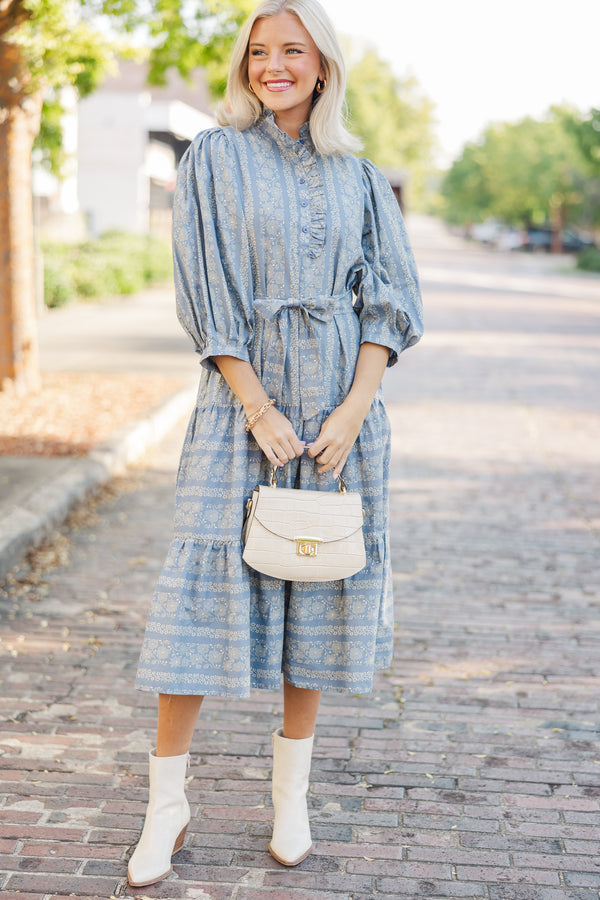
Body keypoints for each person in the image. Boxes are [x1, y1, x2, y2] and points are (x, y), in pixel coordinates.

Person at [127, 0, 423, 887]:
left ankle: (289, 798)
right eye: (260, 51)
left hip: (341, 415)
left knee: (317, 585)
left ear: (323, 65)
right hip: (237, 405)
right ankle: (165, 808)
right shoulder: (215, 157)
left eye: (293, 50)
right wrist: (256, 407)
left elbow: (390, 299)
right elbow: (204, 292)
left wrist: (351, 410)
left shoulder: (360, 173)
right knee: (199, 597)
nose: (275, 65)